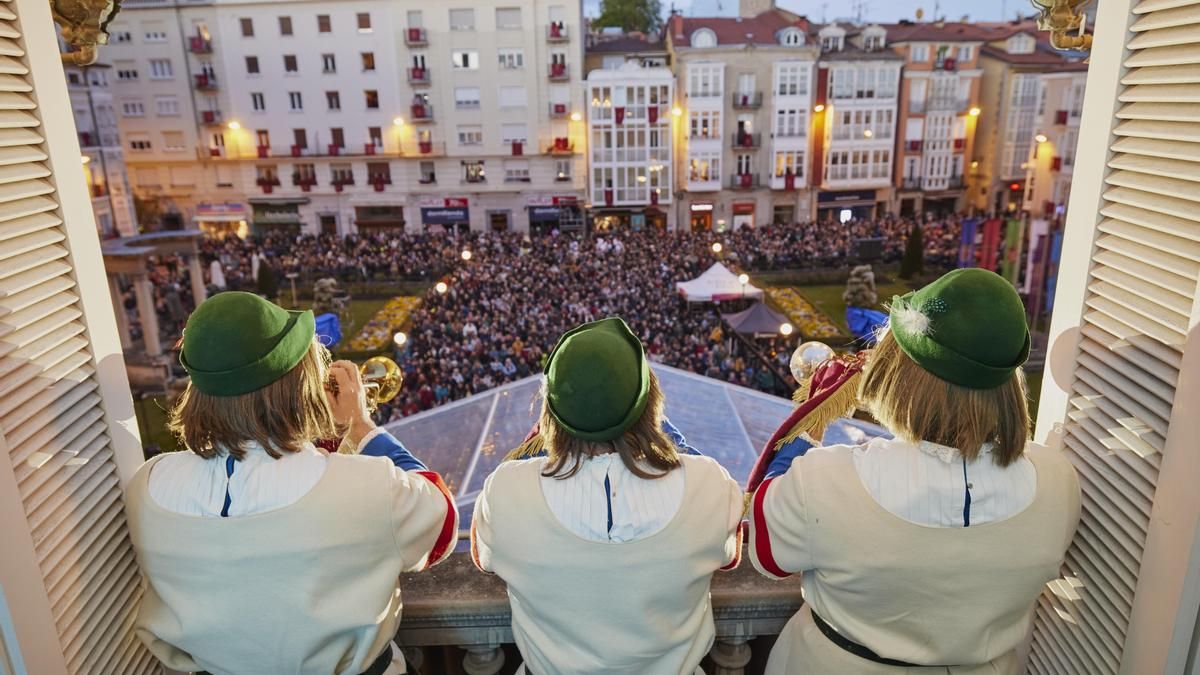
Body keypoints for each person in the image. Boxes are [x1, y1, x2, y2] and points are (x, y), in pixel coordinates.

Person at [748, 269, 1081, 674]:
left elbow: (765, 548)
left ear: (900, 375)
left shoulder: (827, 479)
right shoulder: (1057, 481)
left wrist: (815, 414)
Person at [124, 292, 457, 675]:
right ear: (299, 383)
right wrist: (363, 429)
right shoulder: (368, 485)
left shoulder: (146, 486)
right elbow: (442, 526)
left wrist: (327, 444)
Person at [471, 317, 744, 675]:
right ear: (650, 404)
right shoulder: (708, 481)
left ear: (551, 409)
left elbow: (483, 558)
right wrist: (650, 428)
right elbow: (728, 558)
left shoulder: (506, 488)